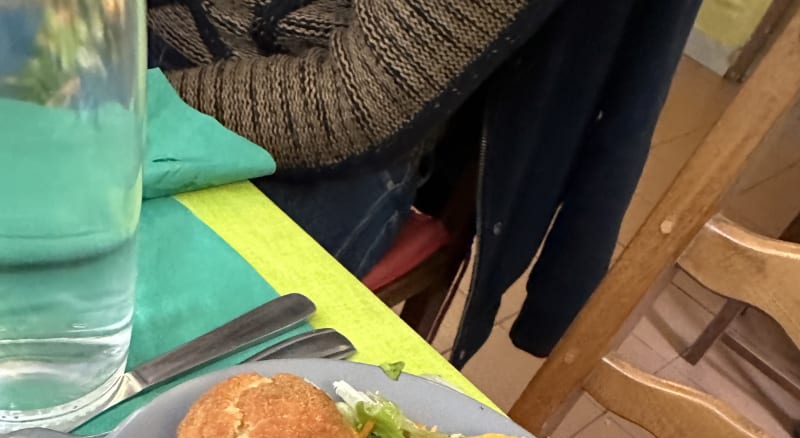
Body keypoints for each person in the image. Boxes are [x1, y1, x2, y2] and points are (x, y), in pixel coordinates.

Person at [149, 0, 703, 363]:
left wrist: (102, 108)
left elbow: (354, 100)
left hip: (302, 129)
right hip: (125, 46)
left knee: (118, 352)